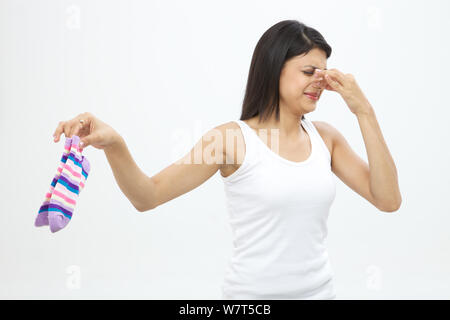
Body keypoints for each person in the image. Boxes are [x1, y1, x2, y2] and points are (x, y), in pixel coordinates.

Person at [52, 20, 402, 299]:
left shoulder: (327, 139)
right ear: (274, 68)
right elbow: (148, 195)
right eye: (308, 72)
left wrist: (364, 112)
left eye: (323, 75)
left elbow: (388, 200)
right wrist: (114, 143)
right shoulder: (230, 140)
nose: (319, 83)